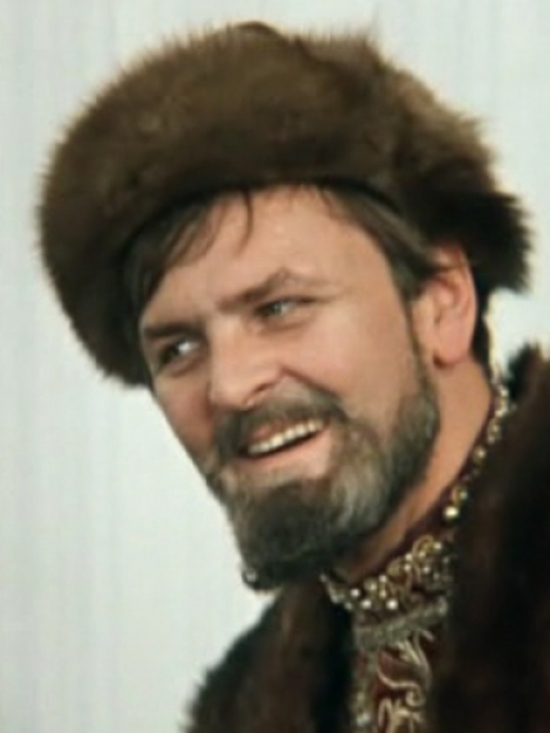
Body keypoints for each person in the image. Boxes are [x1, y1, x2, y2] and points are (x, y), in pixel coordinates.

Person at [37, 21, 550, 733]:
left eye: (280, 308)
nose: (228, 386)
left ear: (442, 301)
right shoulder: (249, 707)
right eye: (179, 348)